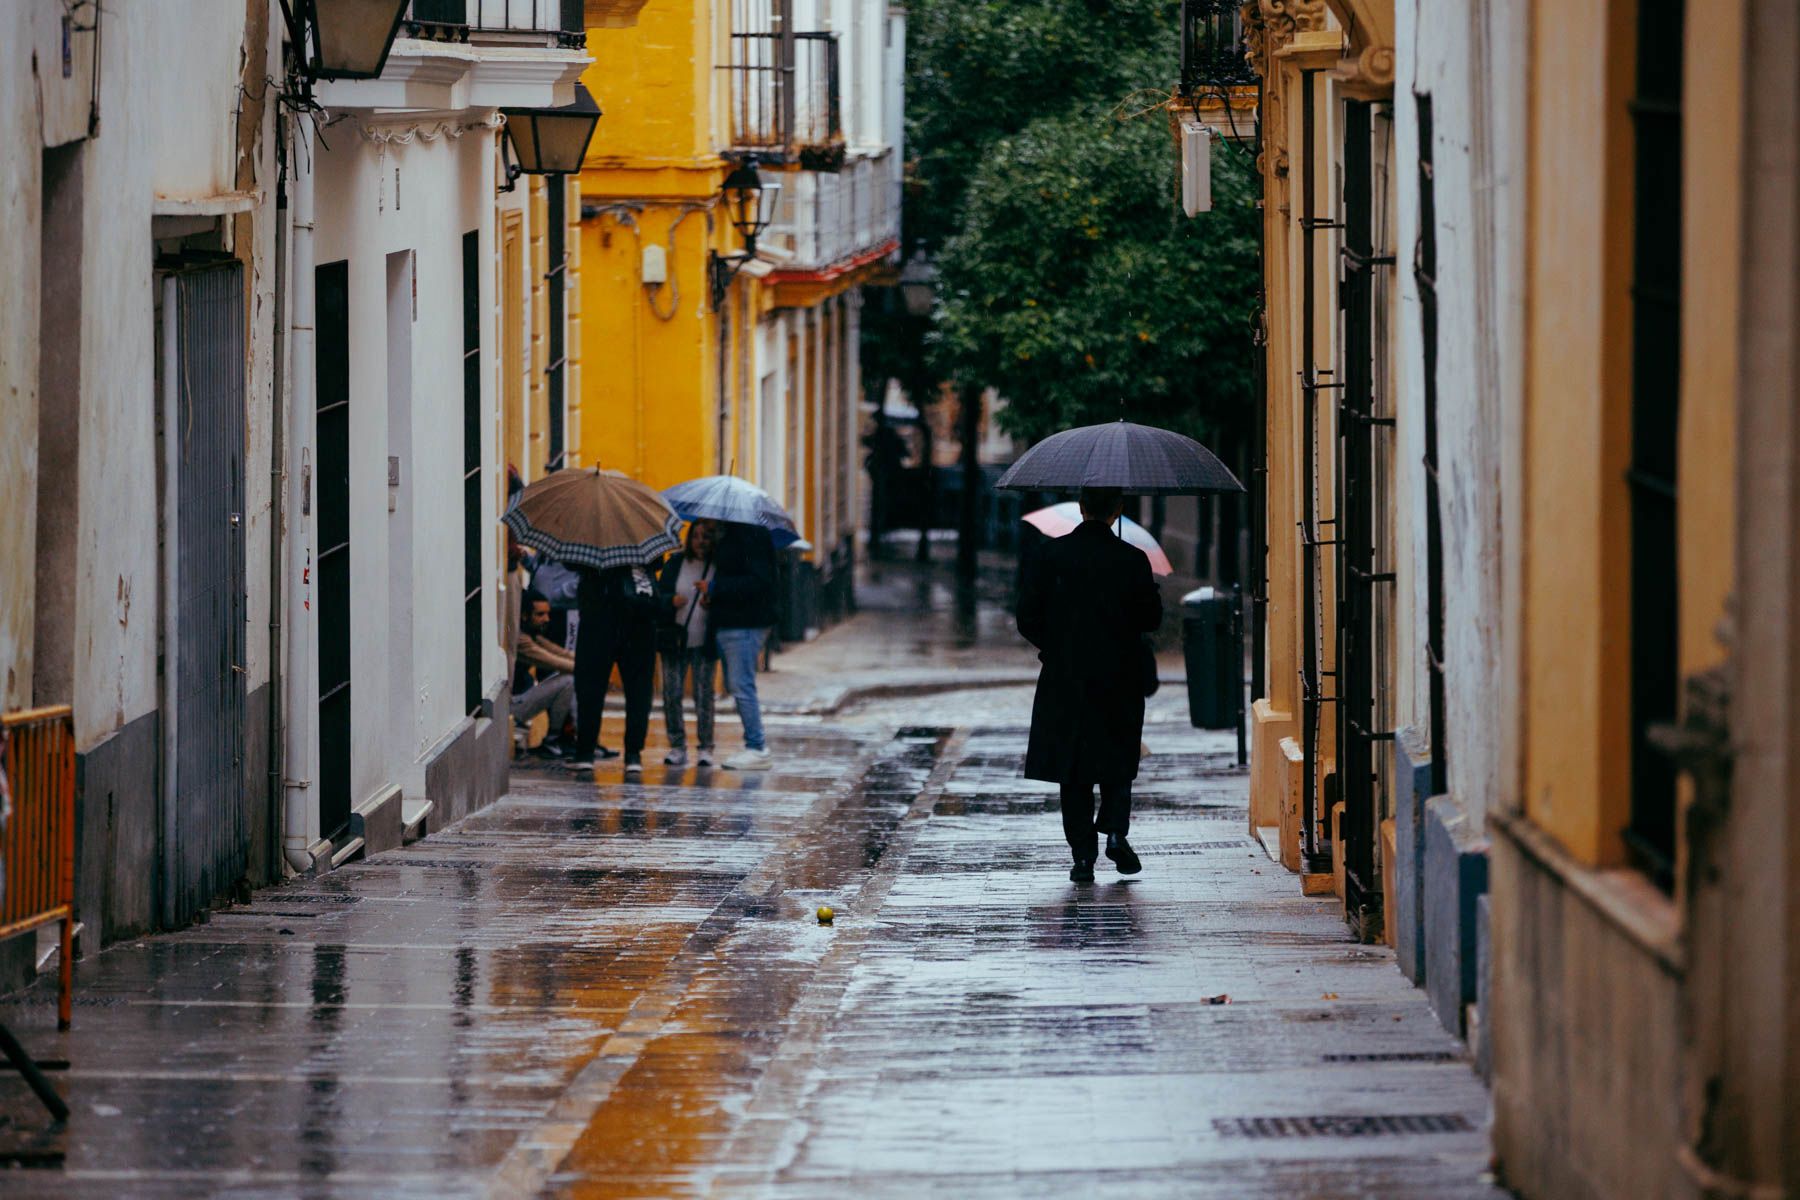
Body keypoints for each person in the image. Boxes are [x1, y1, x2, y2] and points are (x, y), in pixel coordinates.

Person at [1016, 486, 1163, 883]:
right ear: (1118, 510)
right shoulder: (1133, 559)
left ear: (1081, 508)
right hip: (1119, 676)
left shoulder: (1050, 555)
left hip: (1066, 677)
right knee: (1118, 757)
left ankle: (1083, 857)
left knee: (1073, 765)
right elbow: (1151, 620)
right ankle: (1115, 831)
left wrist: (1056, 647)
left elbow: (1027, 617)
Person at [567, 562, 659, 775]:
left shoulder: (595, 542)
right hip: (630, 622)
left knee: (595, 688)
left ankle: (590, 752)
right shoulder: (642, 539)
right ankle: (629, 754)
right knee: (634, 691)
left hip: (610, 622)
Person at [706, 521, 777, 770]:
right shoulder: (733, 534)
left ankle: (757, 747)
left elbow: (759, 581)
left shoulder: (750, 536)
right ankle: (754, 745)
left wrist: (716, 588)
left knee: (742, 684)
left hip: (744, 623)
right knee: (737, 684)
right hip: (733, 622)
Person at [656, 519, 720, 767]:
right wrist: (670, 601)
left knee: (704, 695)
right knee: (672, 693)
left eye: (706, 537)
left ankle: (706, 746)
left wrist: (712, 598)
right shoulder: (675, 563)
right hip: (676, 638)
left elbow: (725, 597)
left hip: (705, 640)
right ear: (689, 538)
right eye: (697, 536)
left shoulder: (718, 567)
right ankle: (677, 745)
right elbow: (659, 593)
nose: (701, 541)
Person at [510, 589, 576, 757]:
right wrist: (588, 669)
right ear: (524, 615)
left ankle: (574, 737)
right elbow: (554, 661)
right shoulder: (520, 640)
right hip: (511, 707)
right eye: (540, 614)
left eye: (547, 614)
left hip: (518, 701)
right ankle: (554, 739)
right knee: (568, 680)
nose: (546, 619)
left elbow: (562, 654)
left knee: (572, 678)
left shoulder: (532, 635)